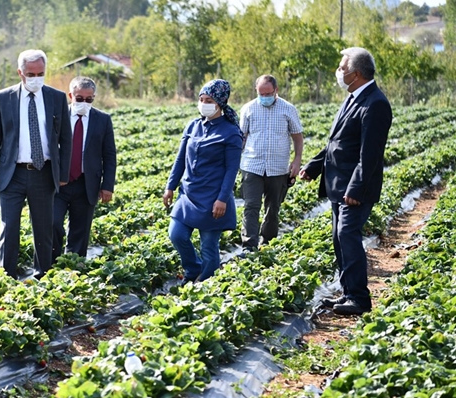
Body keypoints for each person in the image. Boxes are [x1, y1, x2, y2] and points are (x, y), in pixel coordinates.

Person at [300, 47, 392, 316]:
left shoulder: (375, 103)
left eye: (342, 68)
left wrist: (356, 188)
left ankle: (360, 299)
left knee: (347, 236)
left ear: (357, 73)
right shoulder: (353, 98)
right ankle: (347, 292)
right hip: (337, 185)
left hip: (354, 188)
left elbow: (370, 153)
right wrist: (314, 166)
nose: (339, 73)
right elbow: (337, 142)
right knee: (339, 239)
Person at [0, 49, 72, 279]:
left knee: (43, 229)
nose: (35, 78)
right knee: (9, 226)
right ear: (20, 73)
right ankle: (6, 276)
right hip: (12, 173)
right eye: (30, 73)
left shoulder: (56, 97)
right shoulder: (4, 98)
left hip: (43, 172)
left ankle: (42, 274)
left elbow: (65, 138)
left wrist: (62, 173)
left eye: (40, 73)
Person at [162, 79, 242, 283]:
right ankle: (192, 268)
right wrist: (170, 186)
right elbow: (180, 159)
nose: (204, 103)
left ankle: (206, 283)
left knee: (208, 247)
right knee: (176, 234)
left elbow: (232, 169)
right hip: (188, 193)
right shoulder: (193, 126)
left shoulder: (230, 132)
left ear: (220, 103)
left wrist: (222, 199)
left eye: (209, 100)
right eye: (201, 99)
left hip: (213, 197)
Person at [52, 76, 117, 260]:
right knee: (53, 222)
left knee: (80, 229)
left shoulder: (102, 120)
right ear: (70, 95)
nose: (84, 103)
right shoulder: (57, 116)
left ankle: (73, 266)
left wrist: (107, 185)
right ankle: (52, 261)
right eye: (79, 98)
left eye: (89, 99)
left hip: (86, 183)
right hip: (59, 182)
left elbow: (109, 155)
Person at [239, 75, 304, 251]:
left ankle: (267, 242)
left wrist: (297, 160)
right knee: (251, 205)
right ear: (256, 91)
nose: (265, 97)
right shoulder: (248, 109)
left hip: (278, 167)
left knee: (273, 207)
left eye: (268, 93)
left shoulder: (288, 109)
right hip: (252, 165)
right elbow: (242, 137)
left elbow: (297, 137)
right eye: (261, 93)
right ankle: (249, 246)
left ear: (276, 91)